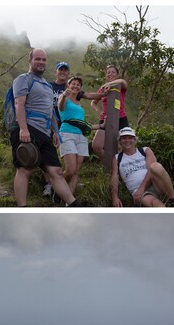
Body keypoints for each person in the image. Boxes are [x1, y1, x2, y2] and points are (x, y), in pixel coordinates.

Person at [10, 49, 83, 207]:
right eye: (38, 59)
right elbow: (19, 104)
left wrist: (56, 132)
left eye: (44, 60)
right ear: (30, 61)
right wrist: (23, 129)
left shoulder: (46, 85)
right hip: (28, 128)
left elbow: (50, 111)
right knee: (25, 169)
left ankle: (73, 204)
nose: (41, 62)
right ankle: (22, 207)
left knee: (56, 171)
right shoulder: (23, 79)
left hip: (45, 133)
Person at [57, 76, 104, 195]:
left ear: (80, 88)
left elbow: (82, 124)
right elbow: (61, 108)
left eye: (78, 85)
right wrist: (63, 95)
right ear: (68, 86)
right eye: (73, 83)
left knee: (76, 171)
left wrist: (101, 126)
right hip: (67, 134)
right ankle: (56, 187)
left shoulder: (78, 104)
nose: (75, 86)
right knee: (70, 170)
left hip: (81, 136)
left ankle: (69, 201)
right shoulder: (63, 98)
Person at [110, 127, 174, 207]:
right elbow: (115, 177)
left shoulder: (145, 151)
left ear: (135, 140)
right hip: (139, 191)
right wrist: (115, 197)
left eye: (130, 138)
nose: (127, 140)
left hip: (155, 183)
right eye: (124, 138)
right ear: (120, 141)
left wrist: (141, 188)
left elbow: (151, 170)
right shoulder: (117, 158)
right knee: (155, 204)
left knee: (155, 166)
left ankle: (173, 200)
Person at [42, 61, 70, 197]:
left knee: (63, 153)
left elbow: (86, 96)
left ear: (68, 73)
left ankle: (61, 181)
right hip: (48, 122)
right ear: (56, 71)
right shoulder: (49, 85)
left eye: (65, 70)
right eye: (60, 70)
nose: (63, 72)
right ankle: (48, 184)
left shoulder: (71, 87)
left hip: (65, 124)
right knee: (48, 153)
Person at [91, 64, 128, 159]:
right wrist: (98, 111)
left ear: (117, 74)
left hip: (121, 118)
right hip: (105, 120)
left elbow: (123, 82)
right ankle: (110, 163)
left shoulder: (121, 86)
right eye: (108, 72)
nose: (110, 74)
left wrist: (109, 84)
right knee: (96, 146)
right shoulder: (102, 88)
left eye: (113, 72)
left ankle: (117, 169)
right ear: (106, 75)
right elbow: (93, 103)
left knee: (120, 146)